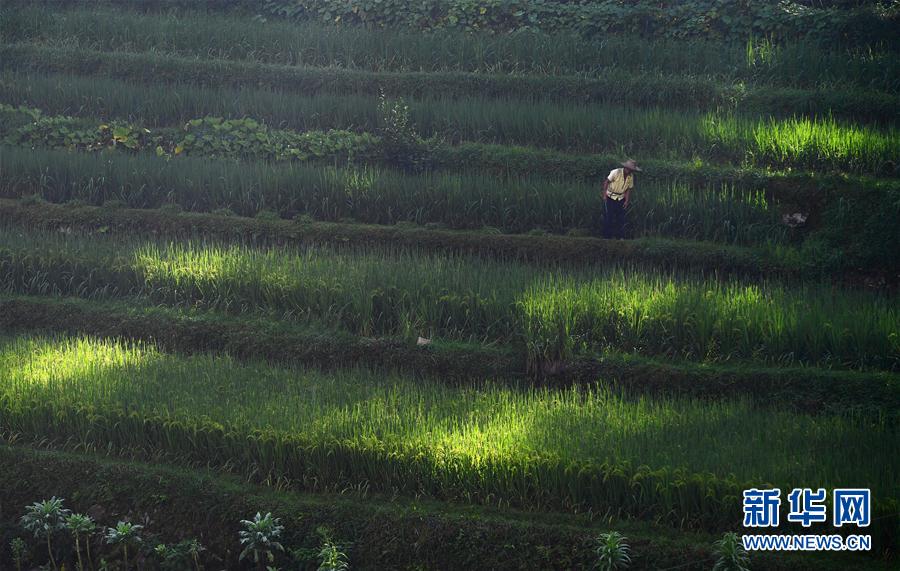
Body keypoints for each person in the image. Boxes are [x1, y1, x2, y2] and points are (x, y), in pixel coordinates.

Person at [602, 159, 642, 239]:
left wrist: (626, 201)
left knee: (620, 218)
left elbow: (628, 189)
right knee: (609, 217)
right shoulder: (616, 172)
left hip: (621, 198)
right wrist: (604, 195)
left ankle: (619, 237)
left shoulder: (630, 177)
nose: (630, 171)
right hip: (610, 197)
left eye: (632, 170)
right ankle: (607, 237)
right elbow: (606, 182)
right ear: (626, 168)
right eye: (629, 169)